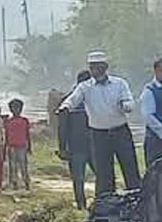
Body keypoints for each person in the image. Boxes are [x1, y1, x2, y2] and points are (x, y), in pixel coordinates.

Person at [58, 51, 140, 195]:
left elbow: (129, 102)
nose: (95, 70)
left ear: (105, 67)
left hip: (120, 132)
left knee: (130, 168)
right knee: (104, 174)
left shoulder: (119, 83)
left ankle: (137, 198)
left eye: (98, 67)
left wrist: (126, 105)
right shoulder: (85, 87)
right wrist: (65, 107)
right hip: (99, 135)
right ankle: (106, 203)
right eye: (92, 67)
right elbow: (73, 99)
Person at [58, 70, 94, 209]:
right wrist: (62, 148)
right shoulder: (69, 102)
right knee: (85, 178)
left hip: (83, 145)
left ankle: (84, 204)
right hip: (84, 146)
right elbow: (62, 126)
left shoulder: (93, 99)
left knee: (80, 179)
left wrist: (62, 147)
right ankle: (84, 205)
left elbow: (62, 127)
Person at [4, 99, 31, 191]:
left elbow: (27, 134)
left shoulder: (25, 121)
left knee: (23, 166)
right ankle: (14, 183)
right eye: (14, 108)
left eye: (18, 108)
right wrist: (5, 148)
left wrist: (29, 146)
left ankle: (26, 182)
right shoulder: (8, 121)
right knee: (12, 166)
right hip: (11, 146)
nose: (16, 110)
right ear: (11, 109)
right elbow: (6, 136)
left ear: (21, 109)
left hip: (22, 146)